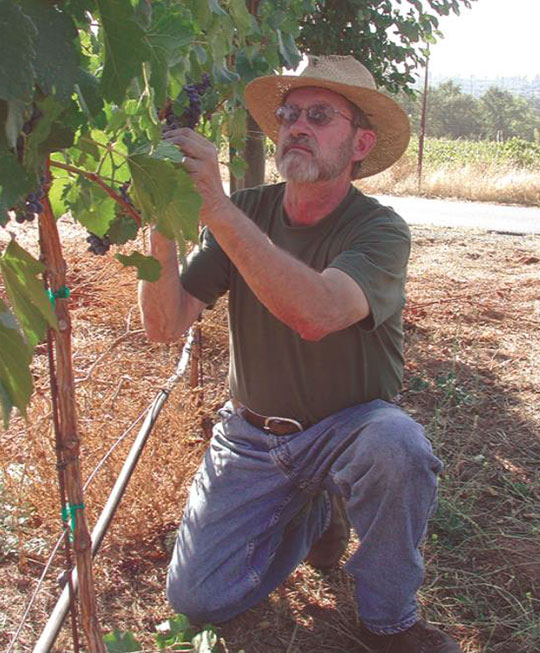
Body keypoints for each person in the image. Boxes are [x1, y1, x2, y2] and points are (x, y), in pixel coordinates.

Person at [139, 55, 461, 653]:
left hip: (351, 428)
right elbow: (165, 323)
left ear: (360, 143)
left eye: (319, 115)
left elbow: (316, 313)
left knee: (398, 445)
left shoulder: (379, 230)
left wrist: (216, 207)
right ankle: (313, 513)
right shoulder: (248, 212)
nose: (296, 126)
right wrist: (162, 221)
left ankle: (389, 621)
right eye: (288, 115)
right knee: (197, 600)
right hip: (252, 438)